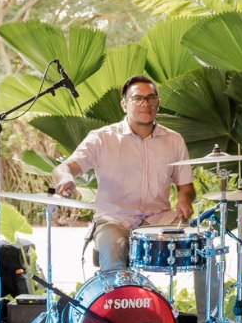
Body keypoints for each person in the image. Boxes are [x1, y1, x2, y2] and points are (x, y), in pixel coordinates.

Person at [52, 76, 194, 273]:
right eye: (137, 98)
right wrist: (66, 178)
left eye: (151, 98)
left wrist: (184, 201)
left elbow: (185, 186)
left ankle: (206, 305)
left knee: (201, 248)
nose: (146, 104)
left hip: (159, 218)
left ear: (158, 104)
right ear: (124, 104)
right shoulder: (102, 138)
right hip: (114, 219)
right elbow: (63, 168)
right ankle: (118, 302)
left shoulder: (174, 141)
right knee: (114, 250)